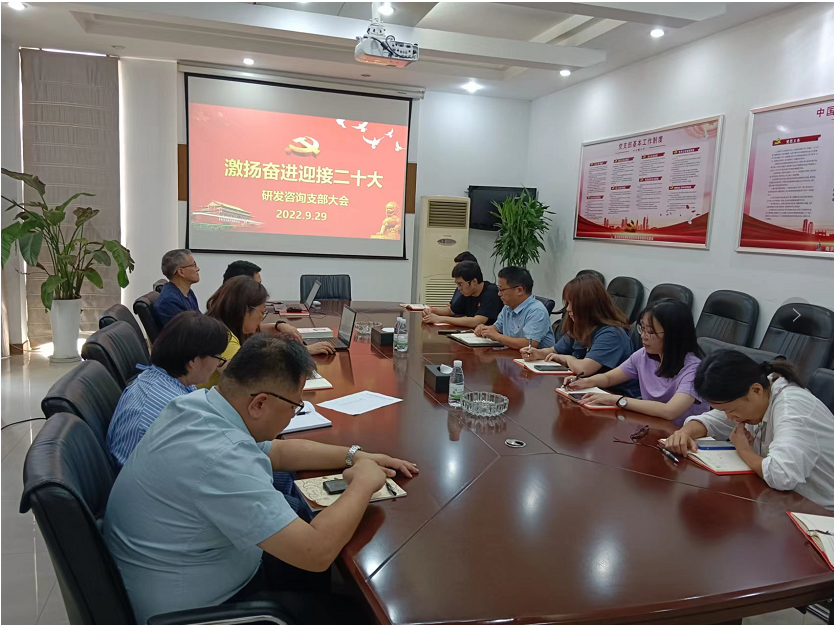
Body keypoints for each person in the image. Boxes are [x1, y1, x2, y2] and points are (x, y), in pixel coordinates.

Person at [103, 335, 419, 624]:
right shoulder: (221, 457)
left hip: (197, 570)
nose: (294, 415)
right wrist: (363, 482)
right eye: (295, 406)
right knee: (358, 614)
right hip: (200, 611)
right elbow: (315, 552)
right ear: (260, 404)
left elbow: (277, 452)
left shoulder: (197, 405)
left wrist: (356, 456)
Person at [665, 350, 834, 511]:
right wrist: (684, 433)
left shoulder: (793, 408)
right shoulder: (759, 392)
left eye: (730, 410)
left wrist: (744, 450)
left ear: (756, 391)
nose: (729, 417)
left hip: (822, 514)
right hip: (787, 502)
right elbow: (713, 421)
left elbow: (781, 475)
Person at [107, 312, 229, 468]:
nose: (218, 364)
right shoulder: (167, 410)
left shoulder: (166, 379)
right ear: (194, 361)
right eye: (218, 357)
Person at [564, 298, 708, 425]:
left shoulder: (693, 369)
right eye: (642, 329)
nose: (643, 336)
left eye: (650, 332)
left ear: (674, 335)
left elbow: (669, 411)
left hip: (679, 436)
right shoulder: (644, 355)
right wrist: (585, 382)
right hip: (650, 425)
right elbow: (609, 378)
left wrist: (617, 400)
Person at [202, 277, 334, 389]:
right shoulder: (226, 339)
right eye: (261, 312)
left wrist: (279, 325)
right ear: (245, 310)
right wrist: (297, 354)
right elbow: (247, 378)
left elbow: (258, 329)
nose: (261, 319)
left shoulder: (219, 324)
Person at [520, 274, 638, 397]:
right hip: (587, 388)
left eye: (572, 303)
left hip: (615, 395)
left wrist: (568, 359)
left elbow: (584, 369)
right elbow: (554, 350)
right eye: (567, 303)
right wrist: (537, 353)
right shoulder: (581, 326)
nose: (568, 309)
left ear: (588, 305)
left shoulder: (612, 334)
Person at [474, 266, 555, 349]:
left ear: (519, 290)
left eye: (502, 290)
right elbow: (497, 327)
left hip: (531, 357)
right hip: (510, 354)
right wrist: (485, 329)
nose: (499, 294)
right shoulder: (508, 307)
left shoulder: (536, 311)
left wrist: (498, 337)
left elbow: (530, 343)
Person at [422, 261, 503, 328]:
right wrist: (432, 310)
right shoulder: (468, 292)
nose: (459, 288)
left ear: (474, 281)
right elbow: (451, 311)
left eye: (460, 284)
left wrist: (440, 319)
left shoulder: (491, 292)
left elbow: (476, 321)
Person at [153, 249, 201, 328]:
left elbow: (199, 322)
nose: (198, 269)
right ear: (181, 272)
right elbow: (188, 332)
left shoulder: (188, 292)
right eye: (193, 265)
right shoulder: (169, 302)